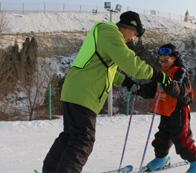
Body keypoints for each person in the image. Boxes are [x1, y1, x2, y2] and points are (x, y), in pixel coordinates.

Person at [42, 11, 170, 173]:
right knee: (83, 140)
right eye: (134, 33)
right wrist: (157, 74)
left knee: (70, 136)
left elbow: (104, 69)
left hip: (75, 91)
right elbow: (130, 62)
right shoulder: (110, 33)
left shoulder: (104, 35)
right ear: (127, 27)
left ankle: (50, 170)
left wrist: (126, 81)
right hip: (84, 93)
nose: (132, 39)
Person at [124, 43, 196, 173]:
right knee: (162, 137)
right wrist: (137, 88)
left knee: (182, 137)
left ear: (174, 58)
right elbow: (151, 90)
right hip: (165, 109)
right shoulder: (163, 72)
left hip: (179, 110)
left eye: (166, 60)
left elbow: (179, 90)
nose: (163, 64)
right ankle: (161, 159)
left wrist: (166, 81)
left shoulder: (181, 71)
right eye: (161, 61)